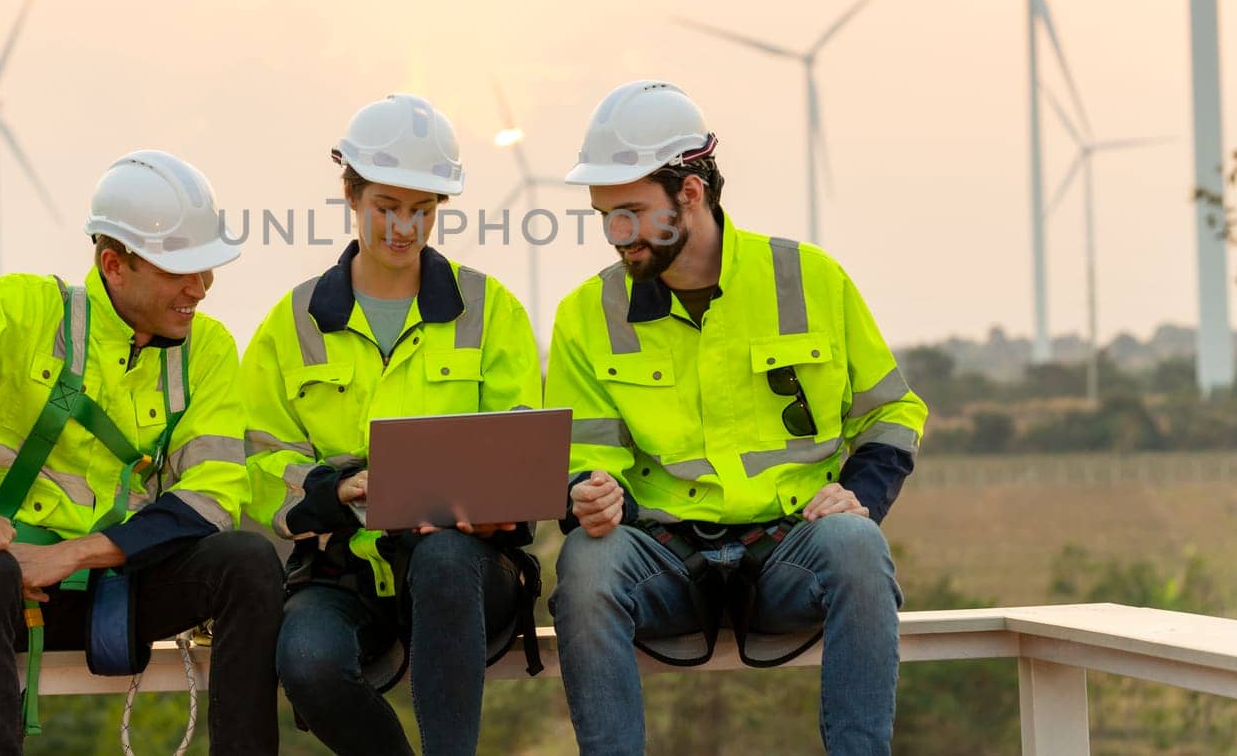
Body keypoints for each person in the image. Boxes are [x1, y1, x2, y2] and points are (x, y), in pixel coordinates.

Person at [547, 80, 928, 756]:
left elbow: (892, 410)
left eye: (631, 212)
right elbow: (585, 451)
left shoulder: (810, 278)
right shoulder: (586, 314)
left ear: (690, 193)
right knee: (586, 562)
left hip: (791, 546)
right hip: (664, 556)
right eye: (605, 215)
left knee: (858, 546)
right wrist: (592, 494)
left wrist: (860, 494)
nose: (616, 235)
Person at [0, 150, 281, 756]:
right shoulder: (30, 308)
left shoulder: (212, 349)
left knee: (247, 561)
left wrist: (69, 556)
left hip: (112, 587)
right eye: (180, 271)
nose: (200, 289)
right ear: (114, 264)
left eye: (207, 269)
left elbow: (214, 495)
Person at [240, 93, 544, 756]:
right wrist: (339, 488)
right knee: (309, 662)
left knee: (441, 556)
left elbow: (526, 449)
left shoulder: (492, 312)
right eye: (387, 207)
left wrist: (490, 512)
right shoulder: (287, 327)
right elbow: (258, 463)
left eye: (423, 211)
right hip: (342, 568)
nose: (405, 228)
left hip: (468, 570)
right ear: (350, 192)